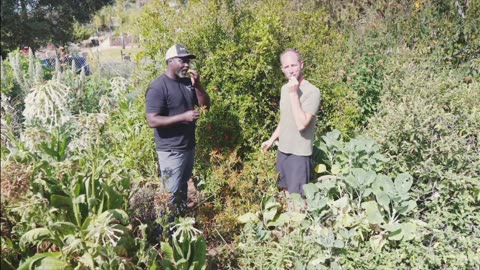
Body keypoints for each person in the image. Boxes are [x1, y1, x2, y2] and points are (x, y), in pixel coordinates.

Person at [145, 44, 210, 216]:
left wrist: (198, 85)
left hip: (188, 146)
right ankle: (165, 233)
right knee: (170, 195)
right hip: (170, 150)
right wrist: (183, 117)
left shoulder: (188, 82)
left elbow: (205, 106)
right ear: (170, 61)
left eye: (188, 61)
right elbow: (152, 120)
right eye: (182, 60)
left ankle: (180, 227)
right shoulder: (158, 87)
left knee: (182, 189)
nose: (187, 65)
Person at [261, 48, 321, 195]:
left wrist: (294, 93)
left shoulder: (312, 92)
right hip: (283, 150)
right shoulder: (284, 89)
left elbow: (302, 124)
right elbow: (286, 119)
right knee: (286, 193)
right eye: (286, 67)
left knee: (298, 200)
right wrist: (271, 139)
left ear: (301, 64)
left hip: (299, 154)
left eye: (293, 65)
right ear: (282, 70)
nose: (291, 70)